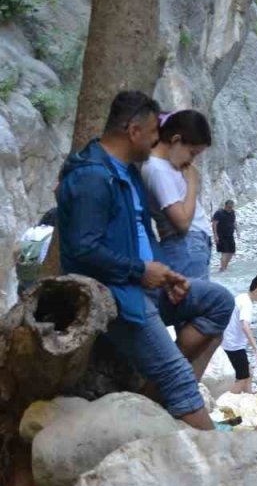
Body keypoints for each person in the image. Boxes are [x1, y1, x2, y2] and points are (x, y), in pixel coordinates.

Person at [56, 90, 233, 431]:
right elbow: (83, 250)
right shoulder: (92, 177)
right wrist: (140, 271)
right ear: (133, 131)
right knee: (179, 377)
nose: (157, 141)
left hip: (146, 283)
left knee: (220, 301)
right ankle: (216, 450)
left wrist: (166, 274)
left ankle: (149, 400)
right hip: (119, 295)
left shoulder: (129, 172)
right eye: (154, 133)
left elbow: (142, 234)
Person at [142, 109, 214, 280]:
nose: (191, 161)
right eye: (192, 153)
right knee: (194, 297)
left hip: (190, 245)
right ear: (175, 140)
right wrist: (193, 184)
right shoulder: (157, 169)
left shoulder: (165, 166)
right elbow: (182, 222)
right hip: (185, 244)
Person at [224, 274, 257, 394]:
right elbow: (245, 326)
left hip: (228, 341)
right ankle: (228, 399)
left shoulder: (241, 297)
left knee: (249, 372)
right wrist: (256, 348)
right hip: (234, 345)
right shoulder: (247, 304)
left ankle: (249, 394)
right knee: (243, 377)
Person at [14, 209, 55, 296]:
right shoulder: (55, 233)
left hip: (27, 274)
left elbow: (16, 251)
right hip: (45, 276)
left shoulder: (31, 230)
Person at [211, 199, 237, 272]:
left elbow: (234, 222)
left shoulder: (232, 212)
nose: (230, 209)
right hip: (221, 236)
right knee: (224, 252)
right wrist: (215, 235)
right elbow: (214, 224)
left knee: (232, 252)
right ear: (225, 206)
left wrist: (237, 230)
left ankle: (225, 267)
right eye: (229, 207)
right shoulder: (219, 213)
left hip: (230, 235)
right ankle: (223, 268)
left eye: (231, 207)